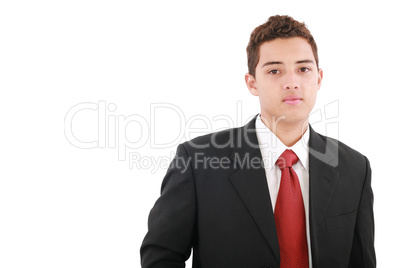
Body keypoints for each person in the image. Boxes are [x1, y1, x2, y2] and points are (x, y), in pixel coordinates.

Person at [140, 15, 376, 268]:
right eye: (274, 71)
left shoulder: (353, 167)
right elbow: (161, 257)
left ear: (318, 78)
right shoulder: (199, 160)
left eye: (303, 69)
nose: (292, 82)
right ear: (252, 83)